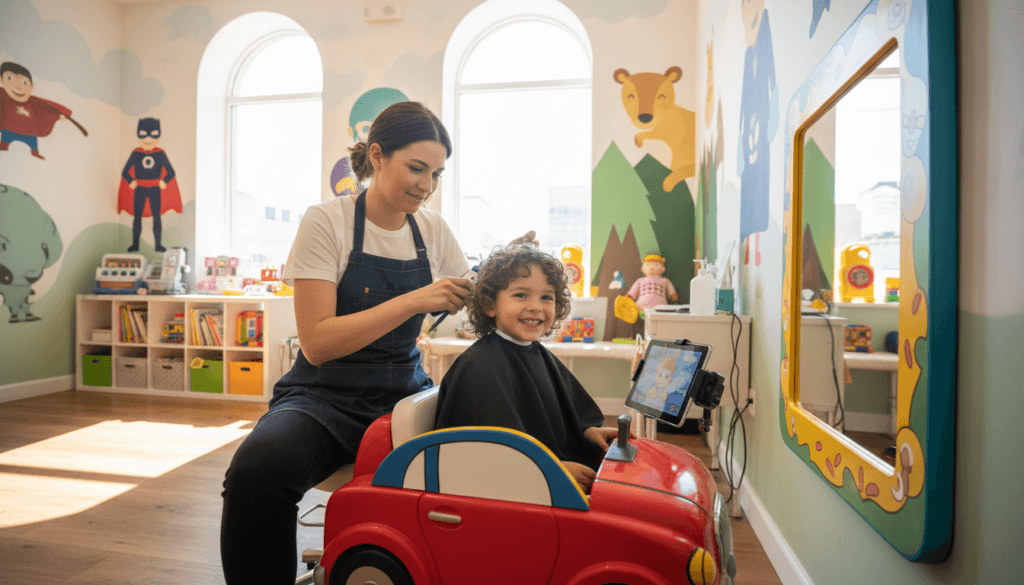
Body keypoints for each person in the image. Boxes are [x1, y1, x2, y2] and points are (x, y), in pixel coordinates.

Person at [219, 101, 536, 584]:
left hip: (402, 399)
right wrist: (413, 300)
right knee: (255, 475)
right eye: (416, 168)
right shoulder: (325, 222)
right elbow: (319, 342)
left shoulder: (432, 230)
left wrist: (505, 270)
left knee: (487, 465)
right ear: (377, 156)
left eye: (437, 174)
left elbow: (471, 297)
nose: (427, 186)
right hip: (322, 398)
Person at [433, 245, 626, 492]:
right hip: (511, 493)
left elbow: (564, 411)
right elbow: (493, 453)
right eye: (521, 295)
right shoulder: (480, 368)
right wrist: (553, 468)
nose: (536, 306)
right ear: (490, 305)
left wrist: (588, 431)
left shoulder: (536, 352)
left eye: (546, 297)